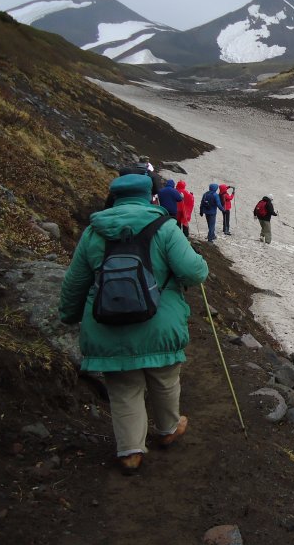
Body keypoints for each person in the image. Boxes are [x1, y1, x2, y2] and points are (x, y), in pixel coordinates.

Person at [58, 174, 209, 474]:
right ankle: (168, 429)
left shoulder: (93, 232)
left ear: (114, 197)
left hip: (107, 325)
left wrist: (69, 315)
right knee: (164, 378)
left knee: (124, 388)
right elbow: (193, 273)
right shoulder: (164, 227)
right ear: (148, 196)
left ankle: (130, 452)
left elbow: (75, 283)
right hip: (159, 323)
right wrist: (201, 264)